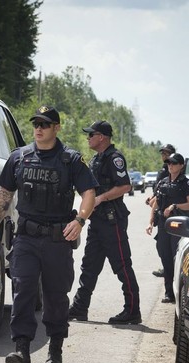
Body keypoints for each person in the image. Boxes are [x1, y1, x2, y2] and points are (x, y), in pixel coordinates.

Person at [0, 105, 97, 363]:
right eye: (36, 123)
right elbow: (4, 196)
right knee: (22, 289)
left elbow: (89, 193)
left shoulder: (70, 160)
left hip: (58, 240)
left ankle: (55, 348)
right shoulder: (19, 158)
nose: (38, 128)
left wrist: (80, 221)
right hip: (26, 237)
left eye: (45, 124)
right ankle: (22, 350)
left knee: (56, 297)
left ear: (57, 128)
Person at [68, 120, 142, 325]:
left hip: (112, 221)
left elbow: (125, 186)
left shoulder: (114, 158)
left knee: (122, 266)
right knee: (89, 266)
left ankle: (133, 310)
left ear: (102, 137)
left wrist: (101, 198)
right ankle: (80, 307)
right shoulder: (96, 159)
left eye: (91, 134)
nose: (88, 138)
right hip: (97, 221)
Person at [146, 153, 189, 303]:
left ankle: (181, 292)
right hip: (163, 226)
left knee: (178, 261)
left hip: (179, 227)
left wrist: (175, 206)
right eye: (169, 163)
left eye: (174, 163)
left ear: (181, 166)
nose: (170, 165)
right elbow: (155, 203)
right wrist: (150, 222)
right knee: (165, 259)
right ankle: (169, 293)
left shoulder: (186, 183)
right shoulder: (162, 182)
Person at [146, 143, 176, 278]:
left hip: (169, 212)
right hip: (160, 208)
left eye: (167, 153)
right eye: (163, 153)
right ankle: (168, 268)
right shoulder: (164, 170)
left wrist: (153, 201)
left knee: (167, 246)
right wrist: (151, 198)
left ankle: (170, 270)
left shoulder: (170, 171)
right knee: (161, 245)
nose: (164, 156)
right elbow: (158, 190)